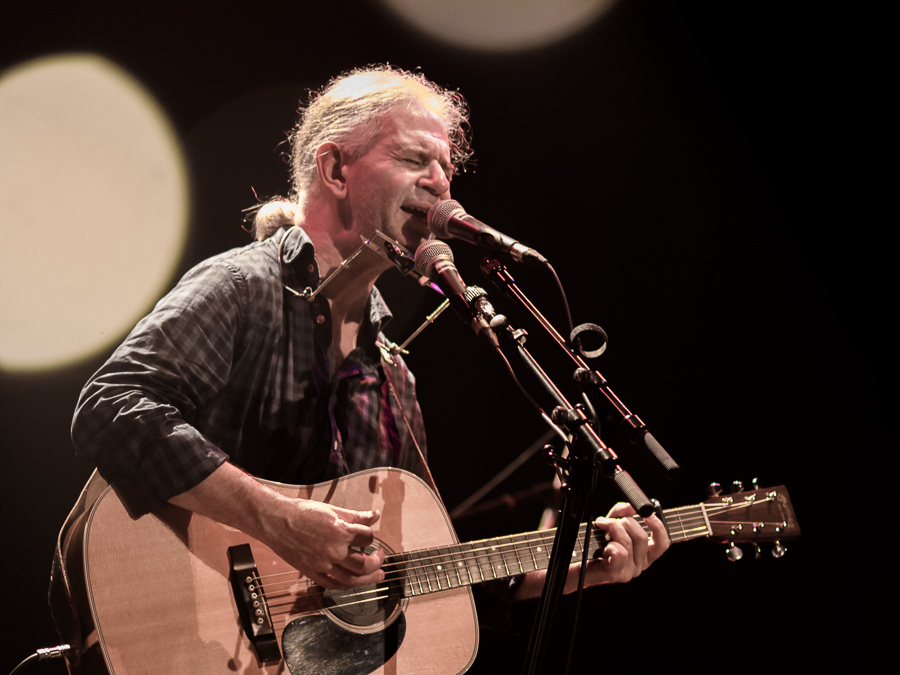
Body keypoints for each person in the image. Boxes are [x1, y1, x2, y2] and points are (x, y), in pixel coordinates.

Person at [59, 65, 668, 670]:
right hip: (173, 633)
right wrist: (277, 520)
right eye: (414, 159)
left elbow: (406, 576)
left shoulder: (392, 377)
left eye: (446, 168)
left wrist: (572, 569)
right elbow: (112, 407)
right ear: (335, 170)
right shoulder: (245, 286)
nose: (440, 184)